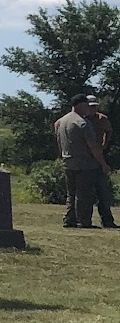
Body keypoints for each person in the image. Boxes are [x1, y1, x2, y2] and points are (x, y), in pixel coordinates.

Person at [53, 96, 101, 229]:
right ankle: (84, 221)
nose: (88, 108)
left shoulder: (62, 121)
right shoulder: (83, 123)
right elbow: (92, 145)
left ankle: (69, 219)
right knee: (84, 193)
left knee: (71, 193)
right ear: (79, 105)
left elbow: (56, 128)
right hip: (83, 163)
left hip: (68, 162)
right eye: (86, 105)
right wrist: (102, 163)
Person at [91, 102, 115, 228]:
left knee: (103, 191)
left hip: (99, 157)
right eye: (90, 106)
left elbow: (109, 131)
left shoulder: (102, 119)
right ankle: (82, 220)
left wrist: (104, 145)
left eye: (94, 106)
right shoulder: (81, 119)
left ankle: (107, 220)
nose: (93, 108)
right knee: (84, 192)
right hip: (86, 157)